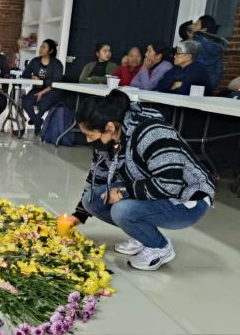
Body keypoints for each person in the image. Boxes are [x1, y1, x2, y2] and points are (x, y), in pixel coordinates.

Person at [66, 89, 214, 271]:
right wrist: (78, 214)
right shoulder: (108, 139)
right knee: (93, 199)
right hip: (151, 187)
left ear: (110, 127)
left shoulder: (152, 132)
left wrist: (124, 193)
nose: (88, 141)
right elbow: (97, 176)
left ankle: (159, 247)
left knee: (122, 210)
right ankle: (141, 235)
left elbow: (171, 184)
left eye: (90, 135)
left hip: (187, 198)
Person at [20, 39, 65, 135]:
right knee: (26, 102)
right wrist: (32, 76)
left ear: (51, 51)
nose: (41, 49)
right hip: (37, 89)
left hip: (52, 91)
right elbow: (25, 74)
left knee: (45, 102)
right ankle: (37, 121)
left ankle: (35, 120)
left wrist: (42, 93)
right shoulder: (35, 61)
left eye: (44, 47)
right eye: (41, 46)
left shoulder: (57, 64)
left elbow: (55, 82)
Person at [191, 15, 229, 90]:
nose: (193, 26)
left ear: (204, 29)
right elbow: (218, 70)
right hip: (207, 85)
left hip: (190, 82)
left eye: (196, 24)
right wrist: (211, 86)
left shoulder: (194, 43)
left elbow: (188, 64)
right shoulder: (217, 47)